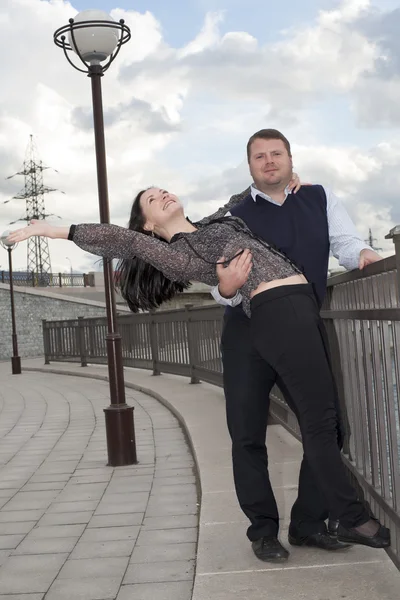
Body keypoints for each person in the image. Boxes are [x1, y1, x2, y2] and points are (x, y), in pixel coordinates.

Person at [7, 186, 390, 557]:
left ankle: (315, 521)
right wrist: (51, 230)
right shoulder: (174, 252)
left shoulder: (208, 227)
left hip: (298, 308)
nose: (163, 196)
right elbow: (119, 238)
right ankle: (344, 518)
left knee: (326, 422)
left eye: (163, 190)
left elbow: (235, 199)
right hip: (276, 313)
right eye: (152, 200)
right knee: (306, 423)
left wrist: (287, 182)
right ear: (149, 227)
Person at [208, 128, 383, 560]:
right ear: (249, 165)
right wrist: (225, 289)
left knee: (328, 427)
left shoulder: (319, 197)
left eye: (276, 154)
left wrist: (364, 255)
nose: (269, 161)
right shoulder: (232, 215)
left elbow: (344, 242)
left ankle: (308, 522)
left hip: (302, 329)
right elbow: (216, 279)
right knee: (247, 434)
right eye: (259, 156)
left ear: (289, 158)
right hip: (246, 333)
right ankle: (263, 530)